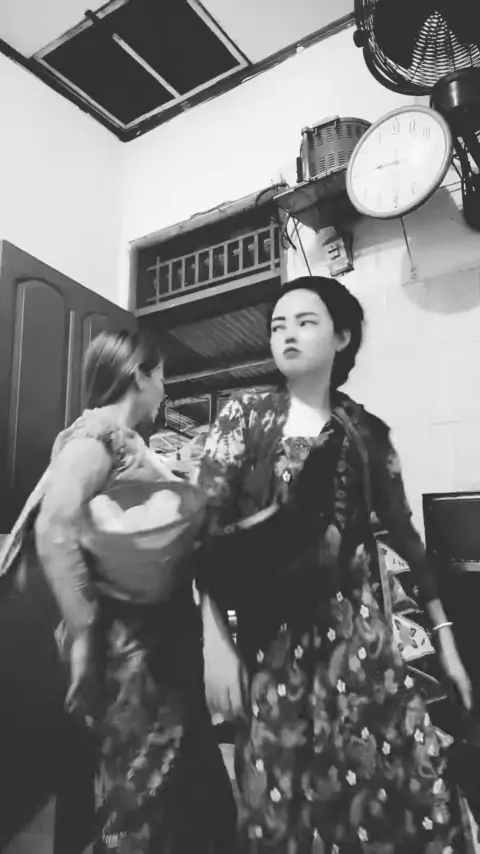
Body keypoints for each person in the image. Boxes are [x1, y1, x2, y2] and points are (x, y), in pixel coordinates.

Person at [198, 276, 472, 854]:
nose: (287, 334)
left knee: (396, 787)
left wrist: (444, 637)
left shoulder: (365, 432)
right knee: (283, 795)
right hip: (274, 642)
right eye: (278, 325)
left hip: (360, 643)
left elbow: (408, 539)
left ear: (341, 336)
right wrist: (215, 640)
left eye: (305, 322)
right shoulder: (245, 417)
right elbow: (206, 536)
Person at [0, 330, 237, 854]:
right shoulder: (95, 440)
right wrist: (84, 633)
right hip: (133, 658)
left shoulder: (128, 443)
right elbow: (54, 529)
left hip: (161, 650)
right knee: (144, 797)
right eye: (162, 375)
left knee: (180, 791)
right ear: (140, 376)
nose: (166, 388)